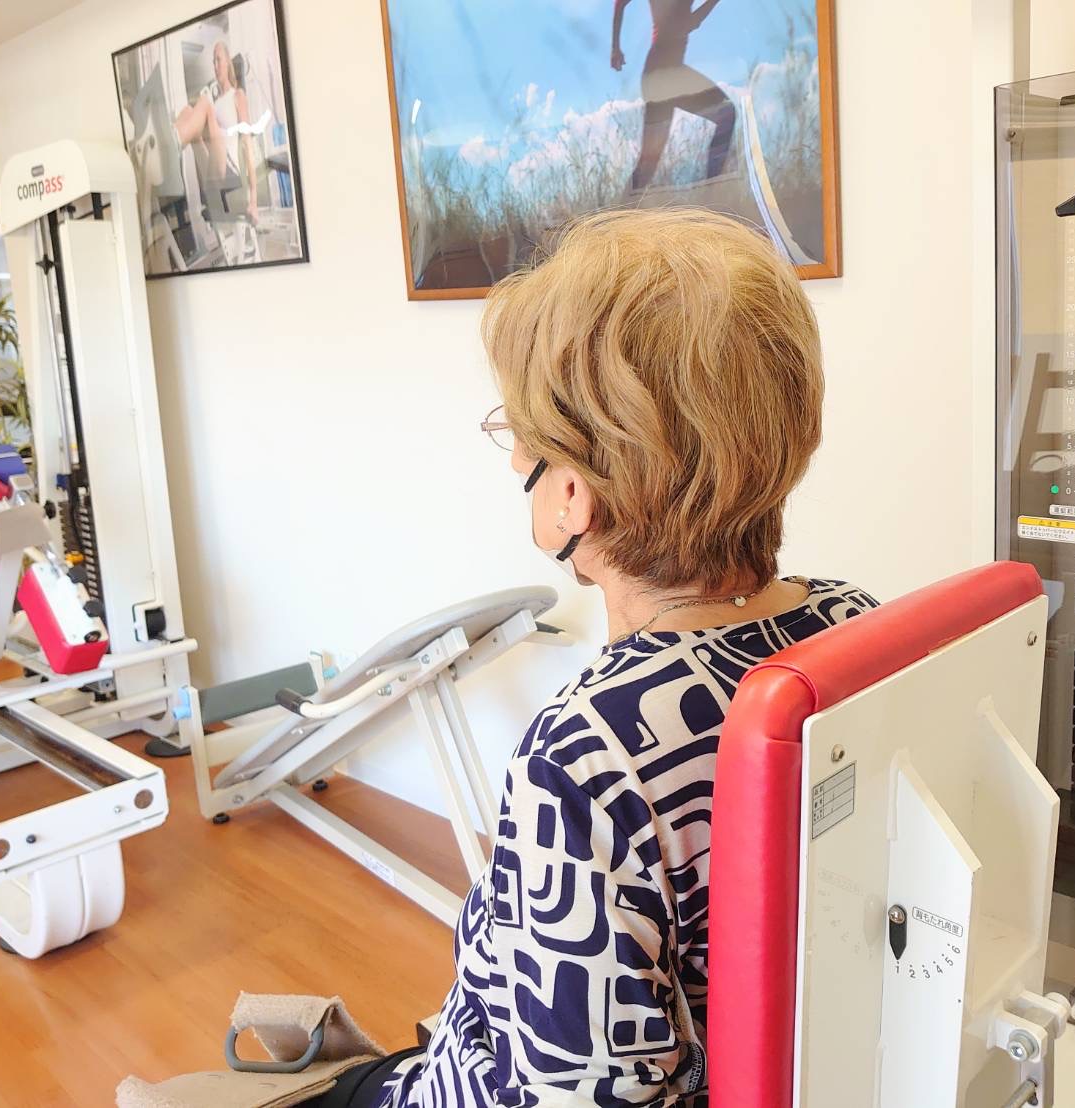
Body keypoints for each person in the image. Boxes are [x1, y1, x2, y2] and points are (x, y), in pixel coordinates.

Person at [312, 208, 876, 1107]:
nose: (514, 463)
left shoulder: (586, 756)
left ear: (572, 493)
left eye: (520, 434)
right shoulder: (853, 626)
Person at [612, 0, 738, 192]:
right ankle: (710, 192)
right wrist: (615, 47)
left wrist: (616, 48)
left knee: (649, 163)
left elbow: (686, 23)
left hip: (665, 72)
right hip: (663, 72)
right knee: (726, 113)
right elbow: (685, 24)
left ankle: (710, 191)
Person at [172, 38, 259, 228]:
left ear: (227, 62)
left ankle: (173, 142)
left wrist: (253, 200)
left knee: (204, 102)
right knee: (188, 110)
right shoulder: (216, 101)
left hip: (230, 172)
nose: (216, 65)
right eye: (214, 61)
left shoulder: (237, 95)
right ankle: (171, 141)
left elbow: (247, 143)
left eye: (219, 59)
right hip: (214, 169)